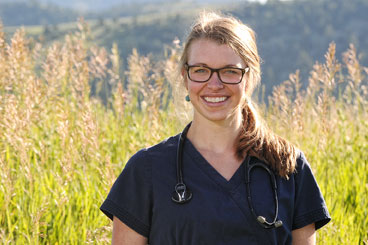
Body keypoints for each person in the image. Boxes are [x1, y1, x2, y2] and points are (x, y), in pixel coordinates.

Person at [100, 11, 330, 244]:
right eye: (201, 70)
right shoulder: (146, 170)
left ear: (249, 80)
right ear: (185, 77)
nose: (214, 84)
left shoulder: (288, 166)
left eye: (230, 71)